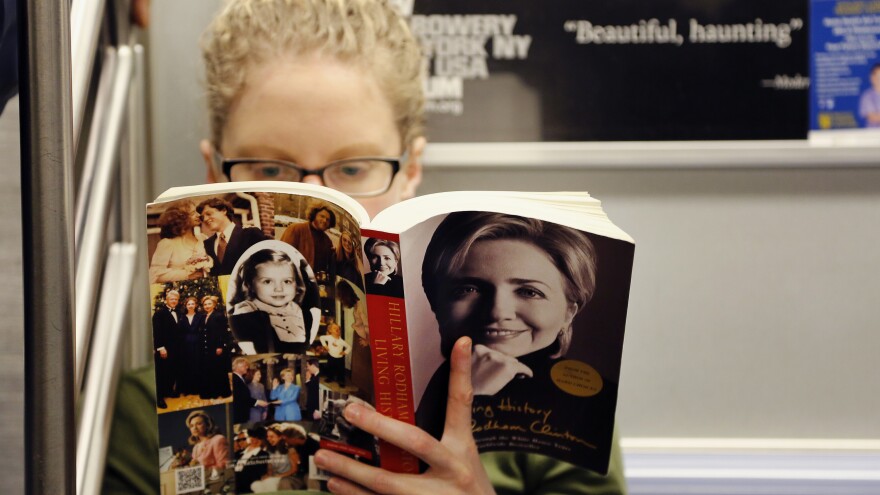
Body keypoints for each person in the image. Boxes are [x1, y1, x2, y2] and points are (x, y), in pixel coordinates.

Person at [104, 1, 627, 493]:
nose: (322, 198)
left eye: (353, 169)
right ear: (215, 172)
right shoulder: (145, 410)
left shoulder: (552, 412)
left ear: (412, 169)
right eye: (268, 169)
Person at [415, 212, 616, 471]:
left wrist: (474, 401)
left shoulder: (596, 407)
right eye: (468, 289)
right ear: (437, 304)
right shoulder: (438, 384)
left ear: (569, 312)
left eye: (529, 292)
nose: (498, 312)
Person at [228, 244, 318, 354]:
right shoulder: (247, 312)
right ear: (250, 285)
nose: (279, 289)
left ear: (296, 284)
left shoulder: (301, 312)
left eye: (287, 281)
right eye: (267, 281)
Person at [197, 197, 267, 276]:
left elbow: (266, 265)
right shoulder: (207, 244)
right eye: (202, 217)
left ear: (224, 211)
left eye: (209, 214)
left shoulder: (250, 234)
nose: (205, 219)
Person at [149, 200, 212, 283]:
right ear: (180, 218)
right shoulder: (167, 243)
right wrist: (186, 275)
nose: (198, 215)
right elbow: (155, 275)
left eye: (196, 212)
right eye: (193, 213)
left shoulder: (203, 238)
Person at [336, 280, 371, 398]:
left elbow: (368, 324)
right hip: (359, 335)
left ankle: (365, 393)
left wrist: (368, 341)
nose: (341, 299)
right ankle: (360, 391)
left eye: (341, 296)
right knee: (357, 368)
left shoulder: (360, 305)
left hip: (364, 338)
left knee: (363, 368)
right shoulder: (357, 303)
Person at [280, 204, 336, 274]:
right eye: (322, 216)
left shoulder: (327, 241)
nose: (325, 220)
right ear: (314, 215)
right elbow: (282, 256)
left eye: (328, 220)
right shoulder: (296, 229)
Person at [199, 295, 233, 399]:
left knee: (219, 370)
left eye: (209, 304)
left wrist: (220, 346)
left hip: (216, 347)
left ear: (214, 304)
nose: (207, 306)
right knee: (210, 370)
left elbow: (223, 332)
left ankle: (222, 392)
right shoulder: (204, 316)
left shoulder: (219, 315)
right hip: (208, 347)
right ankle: (212, 392)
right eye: (205, 304)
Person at [250, 425, 301, 492]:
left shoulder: (290, 450)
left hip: (289, 478)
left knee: (270, 482)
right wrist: (267, 476)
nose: (269, 439)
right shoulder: (269, 451)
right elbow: (270, 470)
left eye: (272, 436)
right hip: (275, 477)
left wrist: (277, 476)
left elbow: (294, 469)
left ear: (280, 437)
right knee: (255, 485)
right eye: (268, 437)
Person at [152, 289, 180, 409]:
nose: (174, 301)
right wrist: (160, 348)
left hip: (176, 348)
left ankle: (168, 391)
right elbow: (157, 331)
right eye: (171, 299)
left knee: (172, 371)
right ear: (166, 300)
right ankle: (159, 398)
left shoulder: (179, 312)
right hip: (164, 348)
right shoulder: (159, 313)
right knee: (161, 373)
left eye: (176, 299)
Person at [186, 410, 229, 479]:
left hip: (216, 481)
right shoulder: (195, 447)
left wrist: (203, 469)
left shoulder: (218, 439)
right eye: (191, 426)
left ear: (208, 425)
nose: (195, 428)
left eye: (198, 424)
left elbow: (223, 465)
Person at [175, 296, 204, 396]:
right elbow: (179, 332)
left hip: (197, 344)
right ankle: (186, 389)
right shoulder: (182, 317)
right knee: (186, 366)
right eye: (188, 304)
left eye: (192, 304)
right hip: (185, 345)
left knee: (197, 365)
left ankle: (197, 388)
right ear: (186, 305)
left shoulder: (201, 316)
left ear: (195, 305)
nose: (190, 306)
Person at [232, 357, 269, 425]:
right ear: (238, 366)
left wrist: (265, 409)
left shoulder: (240, 379)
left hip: (244, 415)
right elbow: (239, 397)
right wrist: (257, 402)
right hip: (240, 415)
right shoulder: (234, 378)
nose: (247, 367)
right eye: (245, 365)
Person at [233, 427, 270, 494]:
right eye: (252, 436)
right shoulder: (238, 453)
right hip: (235, 487)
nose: (254, 440)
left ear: (262, 440)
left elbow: (260, 474)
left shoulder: (263, 454)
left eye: (258, 438)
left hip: (250, 488)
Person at [858, 62, 880, 128]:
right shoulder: (867, 96)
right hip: (873, 135)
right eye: (878, 77)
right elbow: (872, 117)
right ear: (872, 78)